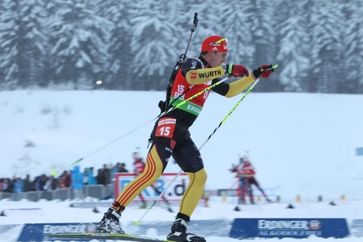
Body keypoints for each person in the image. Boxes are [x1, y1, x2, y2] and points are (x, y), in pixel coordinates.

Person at [97, 35, 275, 242]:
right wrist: (227, 70)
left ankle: (179, 228)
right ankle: (110, 218)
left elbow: (229, 91)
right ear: (211, 52)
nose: (225, 59)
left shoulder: (209, 74)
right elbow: (192, 77)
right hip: (168, 125)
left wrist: (254, 75)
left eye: (226, 57)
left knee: (199, 177)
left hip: (182, 132)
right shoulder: (194, 63)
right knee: (152, 172)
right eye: (223, 55)